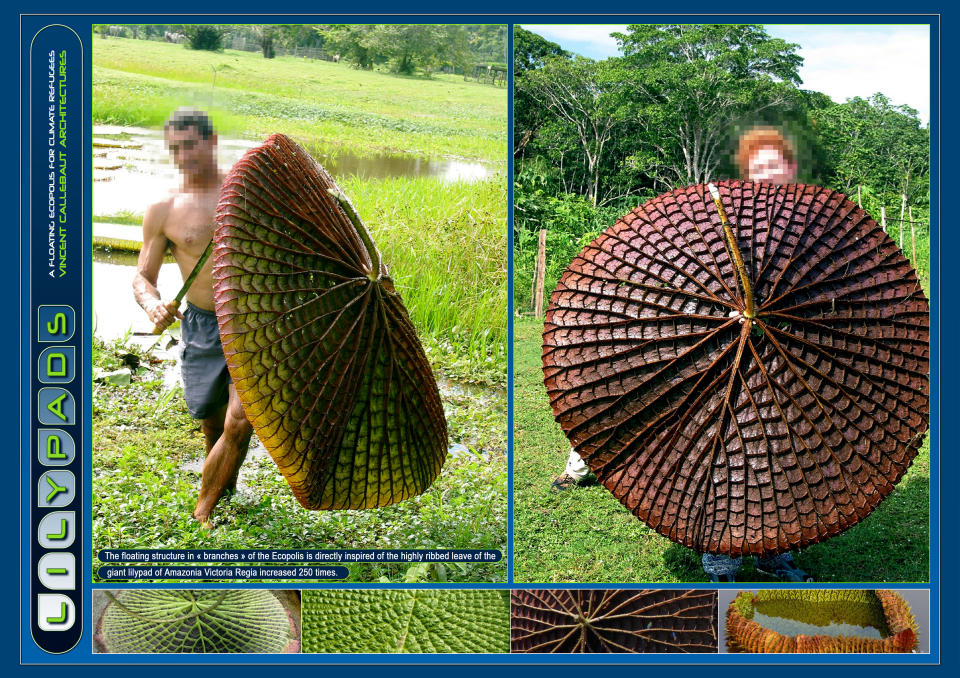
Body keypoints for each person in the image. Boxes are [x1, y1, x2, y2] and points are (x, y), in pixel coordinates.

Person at [551, 125, 811, 582]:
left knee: (776, 458)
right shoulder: (721, 215)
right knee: (722, 454)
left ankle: (776, 555)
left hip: (780, 359)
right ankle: (721, 560)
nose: (771, 174)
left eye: (779, 165)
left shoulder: (803, 226)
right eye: (762, 165)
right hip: (710, 348)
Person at [133, 107, 253, 528]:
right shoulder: (164, 208)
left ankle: (204, 510)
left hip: (252, 324)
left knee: (240, 419)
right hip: (200, 324)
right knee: (212, 420)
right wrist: (153, 305)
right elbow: (143, 277)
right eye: (175, 148)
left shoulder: (247, 194)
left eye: (190, 145)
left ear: (212, 141)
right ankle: (225, 481)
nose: (182, 155)